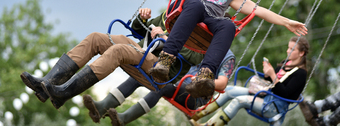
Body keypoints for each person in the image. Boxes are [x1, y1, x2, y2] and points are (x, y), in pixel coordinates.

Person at [92, 0, 308, 99]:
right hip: (190, 13)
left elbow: (257, 9)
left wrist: (286, 21)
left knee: (228, 25)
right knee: (196, 3)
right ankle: (166, 60)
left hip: (208, 24)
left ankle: (205, 76)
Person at [20, 7, 203, 110]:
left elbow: (194, 57)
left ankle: (65, 92)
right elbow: (139, 30)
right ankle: (47, 84)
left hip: (161, 71)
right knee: (96, 38)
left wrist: (165, 39)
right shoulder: (171, 15)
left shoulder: (202, 34)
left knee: (119, 50)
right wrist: (141, 18)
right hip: (140, 52)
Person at [91, 49, 235, 125]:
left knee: (164, 87)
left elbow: (222, 83)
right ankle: (103, 106)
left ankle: (124, 119)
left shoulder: (227, 56)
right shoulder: (198, 43)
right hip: (177, 84)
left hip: (195, 96)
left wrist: (201, 81)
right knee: (144, 73)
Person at [189, 36, 309, 126]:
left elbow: (284, 93)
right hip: (264, 96)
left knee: (239, 101)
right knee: (229, 90)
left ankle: (209, 125)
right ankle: (197, 114)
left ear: (301, 53)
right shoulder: (284, 65)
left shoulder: (300, 74)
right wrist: (268, 73)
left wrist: (273, 75)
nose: (288, 51)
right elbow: (271, 82)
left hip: (273, 106)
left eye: (292, 49)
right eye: (288, 48)